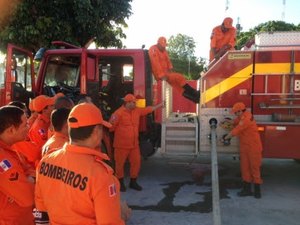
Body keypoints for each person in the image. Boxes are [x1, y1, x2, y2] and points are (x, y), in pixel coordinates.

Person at [35, 103, 125, 224]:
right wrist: (122, 215)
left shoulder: (46, 162)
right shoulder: (101, 176)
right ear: (97, 131)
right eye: (101, 129)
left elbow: (41, 210)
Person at [109, 94, 164, 192]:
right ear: (127, 103)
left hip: (134, 145)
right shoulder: (118, 113)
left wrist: (159, 105)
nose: (135, 104)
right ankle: (120, 183)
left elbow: (148, 109)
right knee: (119, 165)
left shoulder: (137, 111)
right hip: (121, 145)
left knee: (136, 163)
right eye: (133, 102)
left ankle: (133, 182)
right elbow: (111, 127)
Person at [0, 105, 35, 224]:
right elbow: (27, 197)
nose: (29, 127)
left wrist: (28, 178)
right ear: (11, 130)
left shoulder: (9, 149)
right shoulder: (2, 158)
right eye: (25, 125)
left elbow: (29, 169)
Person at [222, 102, 263, 199]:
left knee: (254, 169)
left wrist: (226, 138)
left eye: (236, 112)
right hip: (245, 147)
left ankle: (257, 191)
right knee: (245, 169)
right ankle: (247, 190)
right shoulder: (241, 117)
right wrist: (226, 122)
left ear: (240, 111)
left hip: (253, 147)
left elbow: (237, 130)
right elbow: (235, 122)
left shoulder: (246, 118)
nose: (235, 114)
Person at [148, 36, 200, 104]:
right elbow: (156, 63)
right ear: (158, 44)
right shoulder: (153, 49)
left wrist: (170, 69)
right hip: (160, 75)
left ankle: (194, 98)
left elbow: (168, 60)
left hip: (166, 74)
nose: (164, 47)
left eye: (165, 46)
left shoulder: (164, 50)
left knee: (178, 87)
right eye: (162, 46)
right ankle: (194, 92)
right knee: (179, 77)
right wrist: (162, 75)